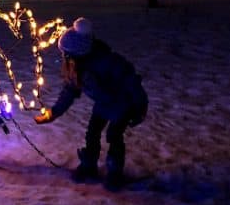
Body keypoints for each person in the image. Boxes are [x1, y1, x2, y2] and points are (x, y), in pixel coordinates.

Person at [34, 17, 148, 189]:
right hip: (103, 105)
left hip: (122, 104)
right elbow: (69, 92)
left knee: (114, 136)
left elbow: (131, 81)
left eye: (66, 54)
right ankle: (89, 165)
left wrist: (140, 106)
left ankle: (114, 171)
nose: (63, 57)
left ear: (78, 53)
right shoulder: (76, 69)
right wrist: (53, 113)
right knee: (92, 133)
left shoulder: (106, 62)